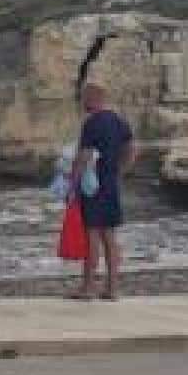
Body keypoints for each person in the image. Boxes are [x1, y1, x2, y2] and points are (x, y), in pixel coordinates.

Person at [71, 81, 136, 302]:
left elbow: (84, 157)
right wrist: (120, 171)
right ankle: (112, 288)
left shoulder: (91, 123)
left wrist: (72, 185)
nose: (82, 101)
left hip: (93, 185)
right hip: (110, 183)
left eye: (84, 97)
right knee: (109, 236)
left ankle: (88, 287)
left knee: (92, 236)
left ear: (94, 97)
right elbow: (132, 149)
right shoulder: (119, 121)